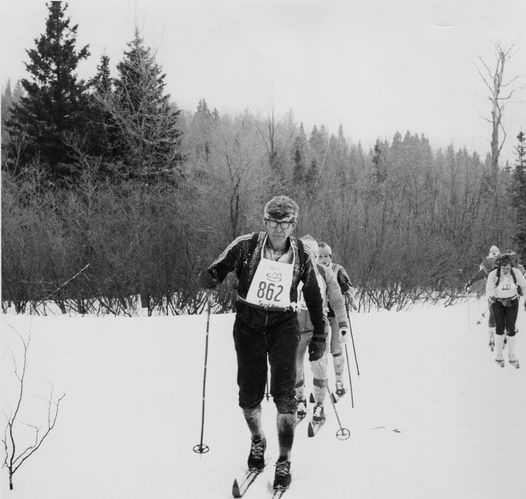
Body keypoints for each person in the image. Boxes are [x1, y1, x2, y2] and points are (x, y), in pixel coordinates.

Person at [201, 195, 325, 491]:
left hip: (283, 326)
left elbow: (313, 297)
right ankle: (258, 440)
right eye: (273, 222)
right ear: (265, 222)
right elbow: (219, 267)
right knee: (249, 393)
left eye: (285, 223)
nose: (279, 229)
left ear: (293, 225)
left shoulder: (303, 256)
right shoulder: (245, 245)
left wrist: (319, 333)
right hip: (249, 325)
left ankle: (284, 459)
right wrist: (211, 277)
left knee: (285, 395)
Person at [294, 235, 349, 424]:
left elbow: (337, 300)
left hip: (319, 328)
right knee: (294, 368)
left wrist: (342, 324)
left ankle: (319, 405)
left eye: (312, 253)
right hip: (295, 328)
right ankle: (300, 400)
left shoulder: (325, 272)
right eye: (304, 253)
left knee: (319, 368)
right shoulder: (290, 272)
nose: (308, 257)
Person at [317, 241, 356, 396]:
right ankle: (322, 383)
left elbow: (349, 287)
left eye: (326, 256)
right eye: (320, 256)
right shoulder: (314, 270)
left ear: (330, 256)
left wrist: (348, 294)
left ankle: (339, 382)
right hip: (321, 316)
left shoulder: (338, 269)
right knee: (323, 350)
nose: (324, 258)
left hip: (336, 315)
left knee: (337, 348)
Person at [486, 253, 526, 367]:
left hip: (513, 301)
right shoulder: (493, 274)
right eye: (503, 268)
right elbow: (489, 288)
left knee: (511, 328)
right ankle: (499, 355)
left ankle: (511, 355)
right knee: (499, 327)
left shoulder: (516, 273)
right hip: (498, 302)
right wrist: (493, 296)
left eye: (508, 268)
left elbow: (524, 286)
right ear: (499, 266)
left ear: (511, 267)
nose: (506, 270)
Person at [466, 245, 501, 350]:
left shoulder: (485, 265)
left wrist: (469, 283)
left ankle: (491, 336)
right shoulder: (502, 261)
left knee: (492, 314)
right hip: (502, 292)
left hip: (490, 294)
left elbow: (477, 276)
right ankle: (503, 335)